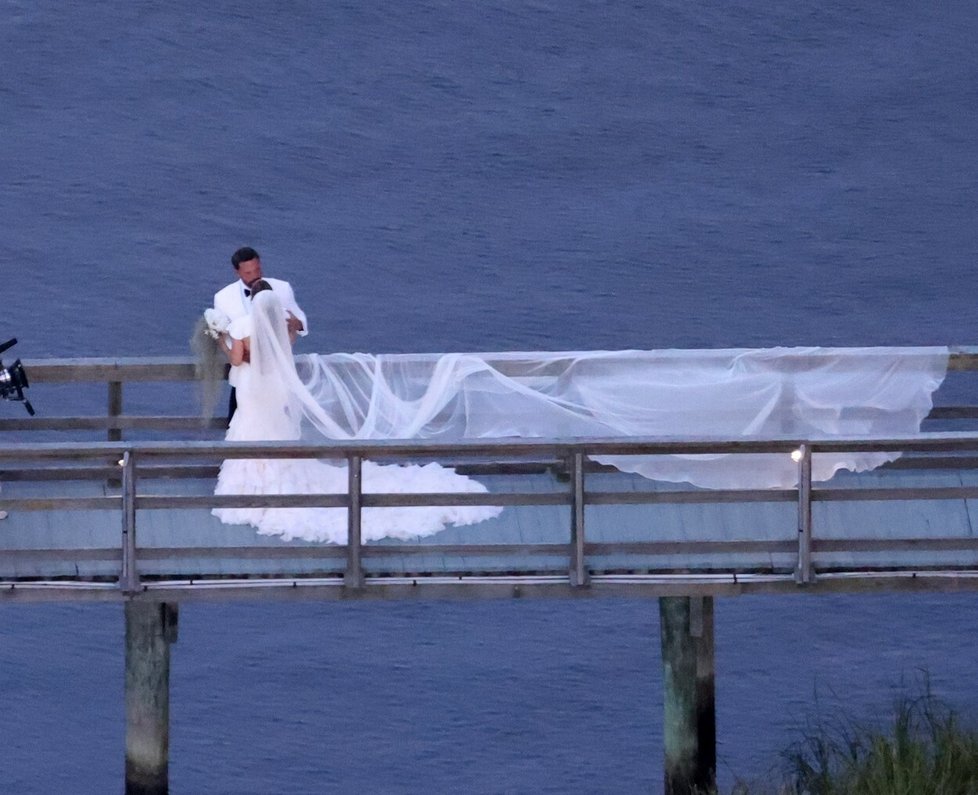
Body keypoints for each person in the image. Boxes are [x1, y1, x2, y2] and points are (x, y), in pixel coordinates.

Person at [212, 286, 501, 543]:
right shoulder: (281, 328)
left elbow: (237, 360)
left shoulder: (241, 327)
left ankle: (252, 488)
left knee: (250, 430)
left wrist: (219, 340)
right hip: (276, 389)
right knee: (275, 429)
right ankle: (280, 481)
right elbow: (286, 350)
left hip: (251, 390)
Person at [213, 246, 308, 419]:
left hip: (275, 375)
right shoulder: (223, 297)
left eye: (257, 270)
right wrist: (245, 355)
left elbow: (300, 324)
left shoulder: (282, 288)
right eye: (248, 273)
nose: (255, 276)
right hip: (245, 377)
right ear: (237, 272)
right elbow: (225, 332)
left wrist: (295, 324)